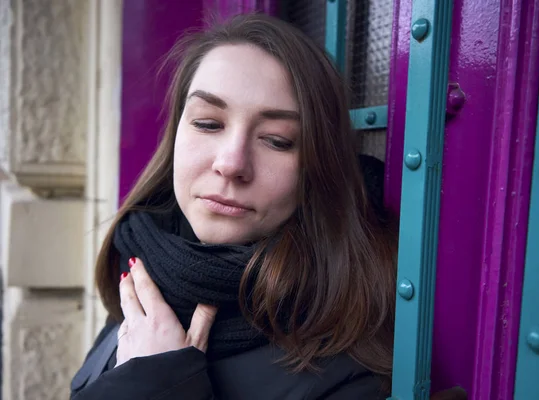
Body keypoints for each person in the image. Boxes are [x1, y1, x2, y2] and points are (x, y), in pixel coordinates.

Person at [70, 13, 398, 400]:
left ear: (315, 168)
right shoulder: (147, 277)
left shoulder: (349, 375)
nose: (231, 163)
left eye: (276, 140)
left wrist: (158, 385)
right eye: (208, 124)